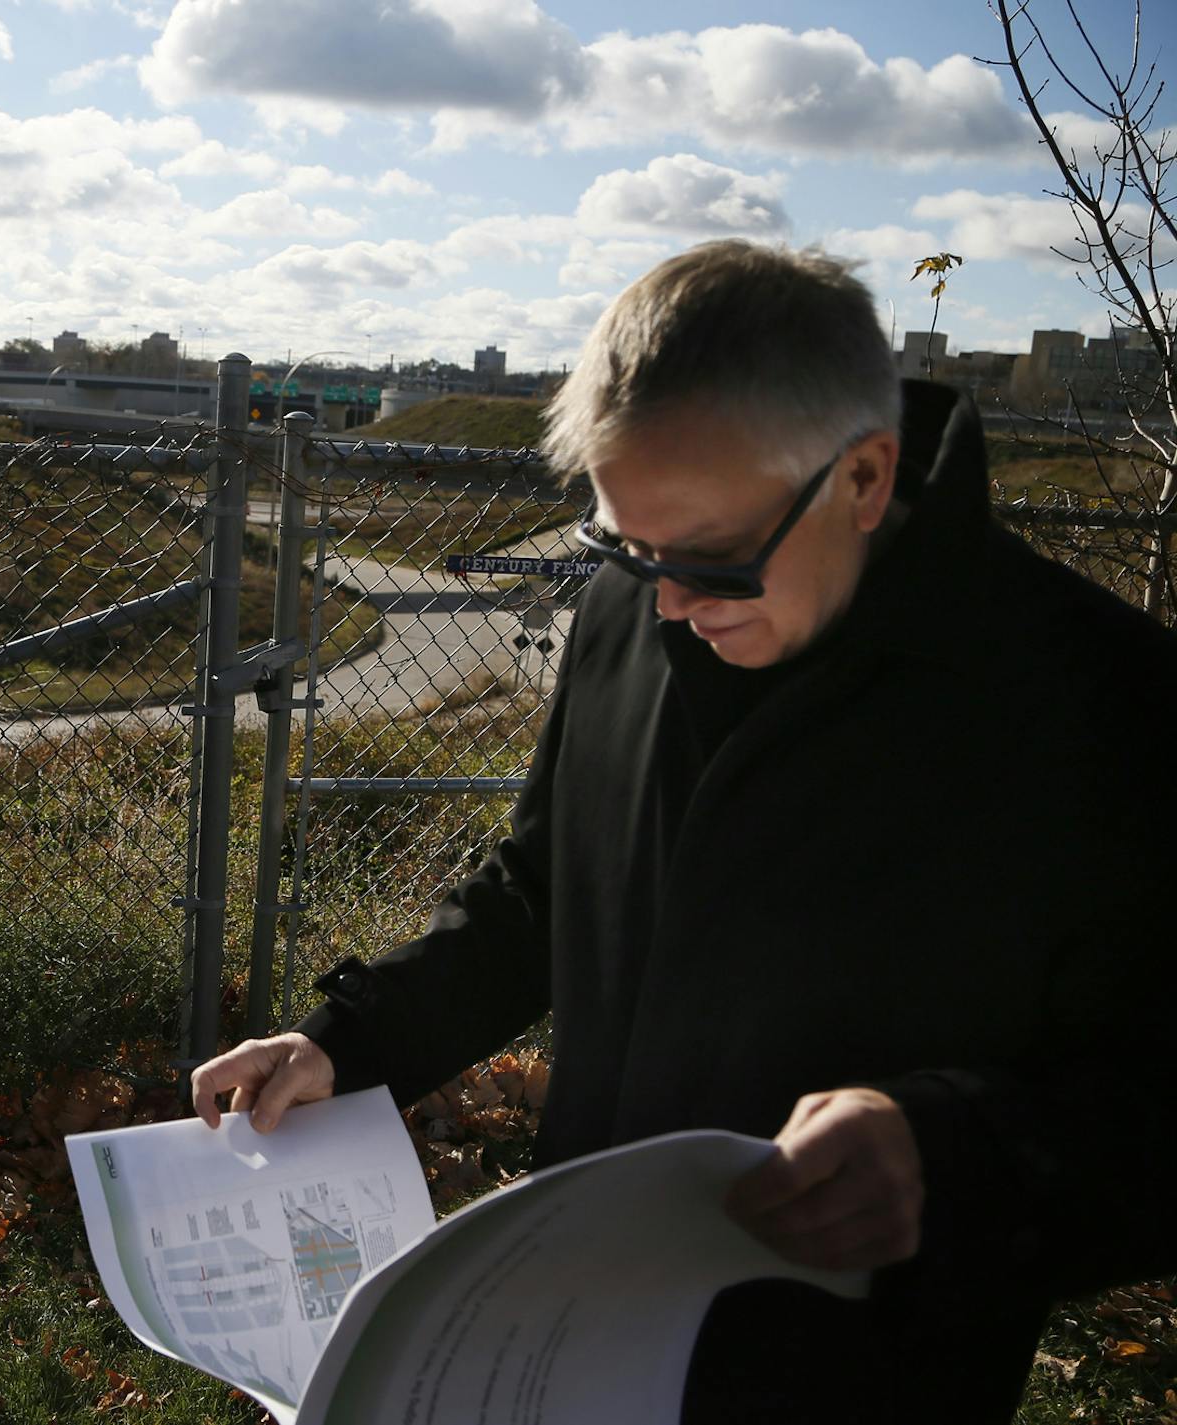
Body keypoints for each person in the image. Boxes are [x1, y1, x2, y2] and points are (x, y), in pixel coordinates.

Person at [191, 240, 1177, 1421]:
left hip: (856, 1383)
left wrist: (954, 1156)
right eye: (624, 544)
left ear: (865, 478)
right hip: (576, 1343)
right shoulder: (635, 606)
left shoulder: (1104, 708)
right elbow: (544, 889)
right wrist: (352, 1044)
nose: (666, 603)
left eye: (711, 558)